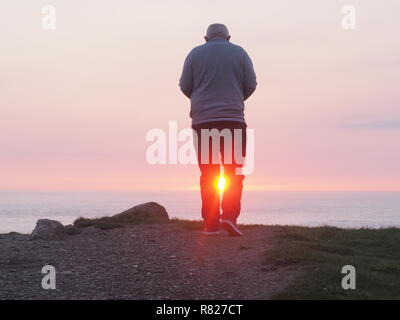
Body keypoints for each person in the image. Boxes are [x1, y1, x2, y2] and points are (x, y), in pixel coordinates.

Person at [179, 23, 257, 236]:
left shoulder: (195, 54)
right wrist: (235, 100)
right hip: (233, 120)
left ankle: (211, 223)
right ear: (228, 37)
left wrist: (201, 101)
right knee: (234, 172)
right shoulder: (240, 52)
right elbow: (251, 84)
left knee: (209, 172)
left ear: (206, 38)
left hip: (203, 121)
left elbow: (185, 85)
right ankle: (229, 217)